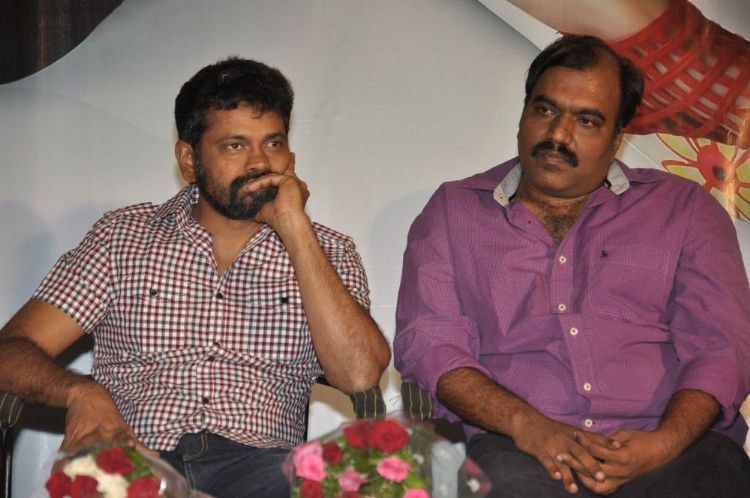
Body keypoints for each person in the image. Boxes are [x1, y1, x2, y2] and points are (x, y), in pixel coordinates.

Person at [0, 57, 390, 498]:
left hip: (262, 470)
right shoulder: (123, 237)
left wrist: (295, 228)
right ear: (189, 160)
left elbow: (359, 374)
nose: (260, 162)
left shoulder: (328, 251)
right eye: (235, 146)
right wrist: (80, 392)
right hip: (135, 460)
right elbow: (10, 351)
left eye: (273, 143)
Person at [394, 35, 750, 497]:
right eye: (545, 110)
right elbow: (430, 347)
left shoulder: (683, 209)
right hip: (515, 444)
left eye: (586, 120)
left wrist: (663, 443)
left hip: (668, 444)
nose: (558, 135)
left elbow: (722, 347)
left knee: (715, 482)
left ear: (617, 138)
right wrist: (526, 425)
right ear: (523, 114)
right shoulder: (454, 211)